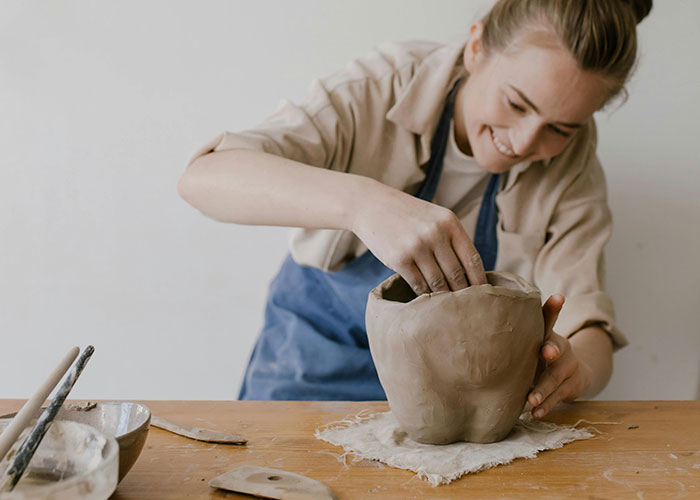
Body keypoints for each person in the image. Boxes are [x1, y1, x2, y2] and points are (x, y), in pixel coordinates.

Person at [178, 0, 652, 419]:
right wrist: (363, 204)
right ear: (477, 45)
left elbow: (589, 327)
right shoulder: (381, 85)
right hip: (308, 368)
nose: (525, 142)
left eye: (560, 129)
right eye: (516, 103)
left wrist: (576, 369)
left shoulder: (573, 162)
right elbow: (203, 178)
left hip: (453, 399)